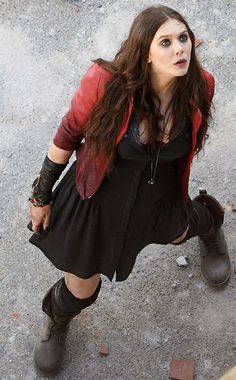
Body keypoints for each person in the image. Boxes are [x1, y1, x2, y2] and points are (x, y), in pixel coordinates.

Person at [28, 5, 231, 374]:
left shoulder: (201, 86)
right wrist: (41, 194)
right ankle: (56, 321)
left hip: (158, 194)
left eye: (183, 38)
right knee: (80, 288)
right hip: (100, 196)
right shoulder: (105, 84)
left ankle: (211, 222)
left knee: (180, 231)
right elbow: (68, 133)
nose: (179, 49)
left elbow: (190, 141)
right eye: (166, 42)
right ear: (146, 52)